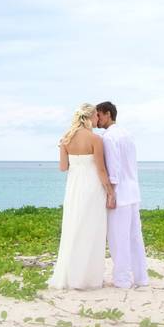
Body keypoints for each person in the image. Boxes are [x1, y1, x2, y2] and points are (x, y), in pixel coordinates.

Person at [47, 103, 116, 289]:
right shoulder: (95, 139)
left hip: (74, 188)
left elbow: (63, 168)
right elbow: (101, 170)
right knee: (92, 230)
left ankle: (71, 276)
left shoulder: (65, 139)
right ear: (90, 117)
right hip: (92, 188)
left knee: (73, 228)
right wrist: (110, 192)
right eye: (96, 116)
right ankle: (88, 278)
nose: (97, 120)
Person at [97, 101, 149, 289]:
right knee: (135, 236)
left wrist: (111, 194)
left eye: (99, 115)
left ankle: (122, 280)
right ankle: (141, 277)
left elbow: (114, 169)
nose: (97, 120)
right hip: (134, 191)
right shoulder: (127, 134)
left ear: (108, 114)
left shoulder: (108, 137)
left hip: (120, 194)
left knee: (118, 239)